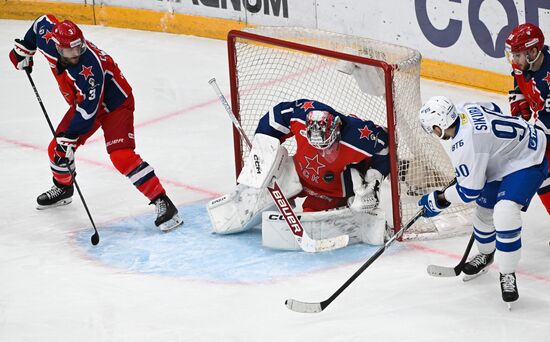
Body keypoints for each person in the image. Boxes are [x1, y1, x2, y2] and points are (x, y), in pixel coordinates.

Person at [9, 15, 182, 231]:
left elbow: (89, 112)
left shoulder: (90, 67)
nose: (75, 54)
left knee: (121, 155)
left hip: (115, 104)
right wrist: (24, 49)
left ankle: (163, 202)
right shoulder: (48, 37)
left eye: (78, 48)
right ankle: (63, 188)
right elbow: (40, 23)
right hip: (84, 103)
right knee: (56, 149)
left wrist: (69, 139)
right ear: (57, 47)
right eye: (69, 51)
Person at [207, 99, 391, 248]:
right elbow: (276, 116)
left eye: (328, 147)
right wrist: (263, 151)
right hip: (297, 173)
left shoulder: (359, 136)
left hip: (332, 192)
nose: (324, 153)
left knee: (315, 223)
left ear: (336, 129)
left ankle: (329, 212)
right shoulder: (302, 116)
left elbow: (387, 146)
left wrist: (373, 181)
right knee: (250, 198)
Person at [418, 96, 548, 305]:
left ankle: (507, 273)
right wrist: (492, 147)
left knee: (505, 213)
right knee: (484, 214)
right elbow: (493, 107)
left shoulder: (466, 145)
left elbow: (469, 192)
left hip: (528, 157)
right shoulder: (464, 106)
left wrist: (438, 199)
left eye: (431, 129)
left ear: (438, 126)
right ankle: (486, 255)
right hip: (506, 155)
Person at [505, 23, 550, 215]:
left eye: (518, 54)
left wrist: (526, 137)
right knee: (541, 174)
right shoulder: (522, 65)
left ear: (533, 51)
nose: (514, 59)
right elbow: (520, 83)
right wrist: (519, 103)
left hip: (546, 128)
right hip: (544, 128)